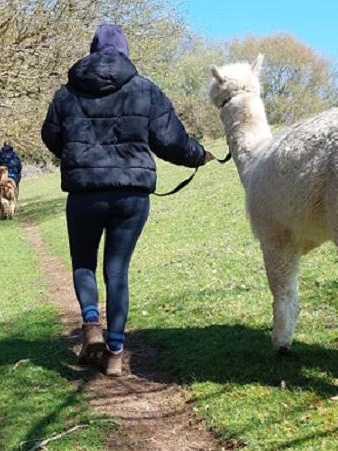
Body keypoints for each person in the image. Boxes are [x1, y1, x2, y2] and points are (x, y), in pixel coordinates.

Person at [41, 24, 214, 376]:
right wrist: (199, 156)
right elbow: (171, 140)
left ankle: (91, 326)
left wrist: (76, 156)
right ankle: (115, 355)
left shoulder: (66, 93)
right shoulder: (144, 89)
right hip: (131, 195)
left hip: (84, 194)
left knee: (84, 263)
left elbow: (51, 135)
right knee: (117, 269)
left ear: (92, 50)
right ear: (125, 51)